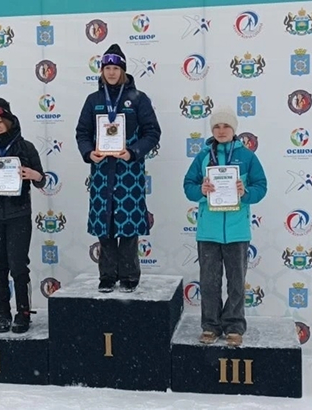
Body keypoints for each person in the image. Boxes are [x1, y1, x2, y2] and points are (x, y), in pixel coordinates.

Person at [75, 43, 161, 293]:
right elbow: (82, 132)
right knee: (105, 226)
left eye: (115, 68)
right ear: (102, 71)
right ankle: (107, 275)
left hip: (129, 173)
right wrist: (88, 152)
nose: (111, 72)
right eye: (107, 68)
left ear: (123, 70)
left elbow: (152, 132)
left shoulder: (138, 99)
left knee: (128, 226)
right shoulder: (93, 101)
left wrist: (133, 152)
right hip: (102, 173)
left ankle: (129, 275)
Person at [182, 106, 267, 347]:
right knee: (209, 282)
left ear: (234, 129)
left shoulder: (247, 157)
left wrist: (245, 192)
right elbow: (188, 185)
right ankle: (210, 326)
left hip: (237, 232)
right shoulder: (202, 156)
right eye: (217, 126)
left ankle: (234, 326)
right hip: (208, 231)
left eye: (226, 126)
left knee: (236, 282)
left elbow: (261, 186)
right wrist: (201, 191)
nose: (221, 130)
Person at [0, 97, 46, 333]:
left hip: (18, 215)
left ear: (9, 121)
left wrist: (34, 175)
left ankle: (23, 313)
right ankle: (2, 313)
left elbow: (41, 179)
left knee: (18, 266)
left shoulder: (26, 148)